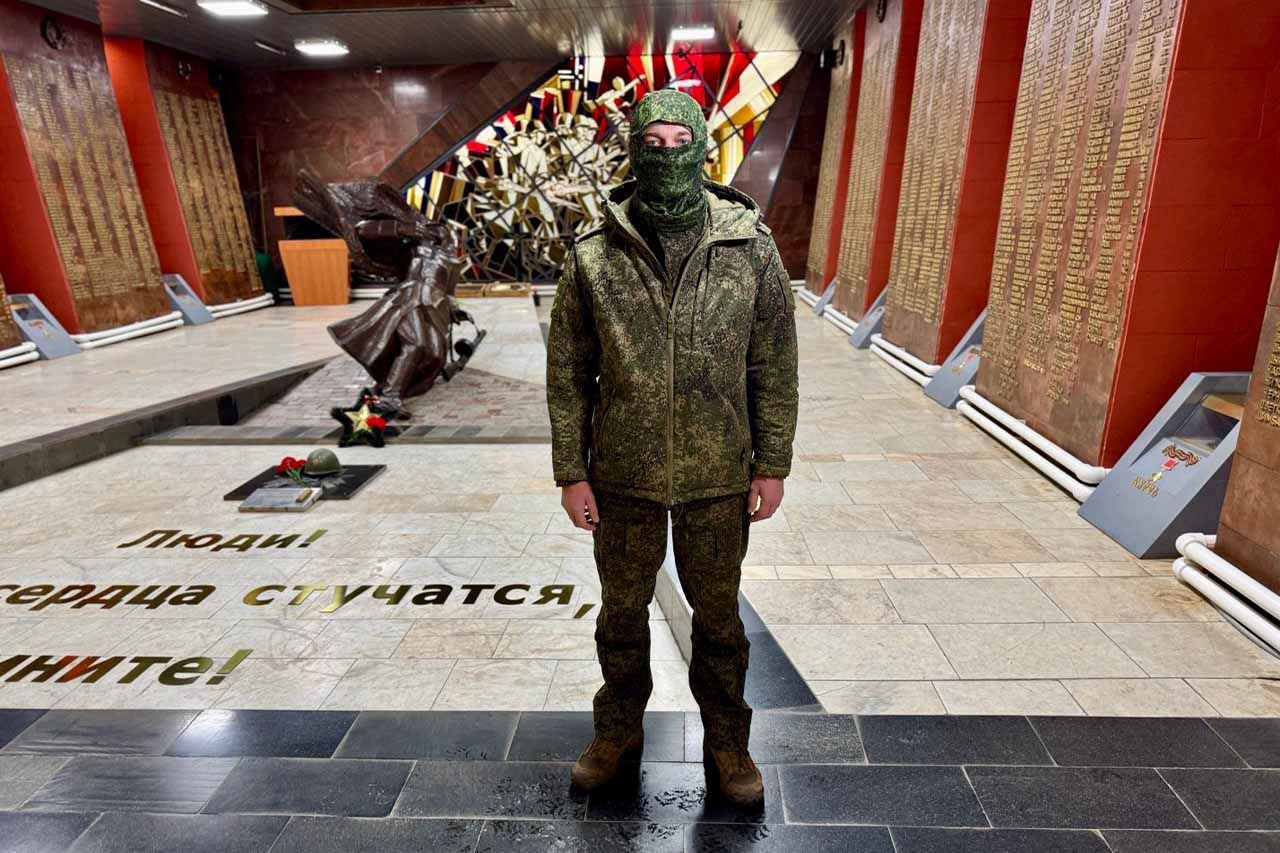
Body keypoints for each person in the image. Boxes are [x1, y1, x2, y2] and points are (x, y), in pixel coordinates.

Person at [545, 89, 798, 807]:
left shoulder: (748, 248)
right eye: (651, 145)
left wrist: (772, 462)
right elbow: (568, 374)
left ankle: (728, 743)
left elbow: (774, 363)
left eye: (679, 143)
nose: (666, 156)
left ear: (701, 148)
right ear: (634, 151)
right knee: (620, 616)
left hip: (718, 473)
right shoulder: (595, 255)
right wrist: (571, 471)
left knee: (718, 622)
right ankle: (617, 733)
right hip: (622, 473)